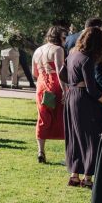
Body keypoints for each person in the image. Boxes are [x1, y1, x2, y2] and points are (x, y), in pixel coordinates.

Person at [62, 26, 102, 188]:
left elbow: (64, 73)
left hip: (71, 96)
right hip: (83, 100)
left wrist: (74, 83)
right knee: (91, 138)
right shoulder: (87, 58)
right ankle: (87, 178)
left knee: (75, 136)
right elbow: (92, 90)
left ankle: (74, 176)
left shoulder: (73, 53)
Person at [33, 26, 66, 164]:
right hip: (55, 86)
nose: (65, 40)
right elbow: (60, 71)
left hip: (41, 86)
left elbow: (34, 73)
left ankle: (41, 151)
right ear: (58, 37)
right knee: (63, 118)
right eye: (64, 37)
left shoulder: (37, 50)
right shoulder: (58, 50)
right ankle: (68, 153)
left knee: (43, 118)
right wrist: (65, 89)